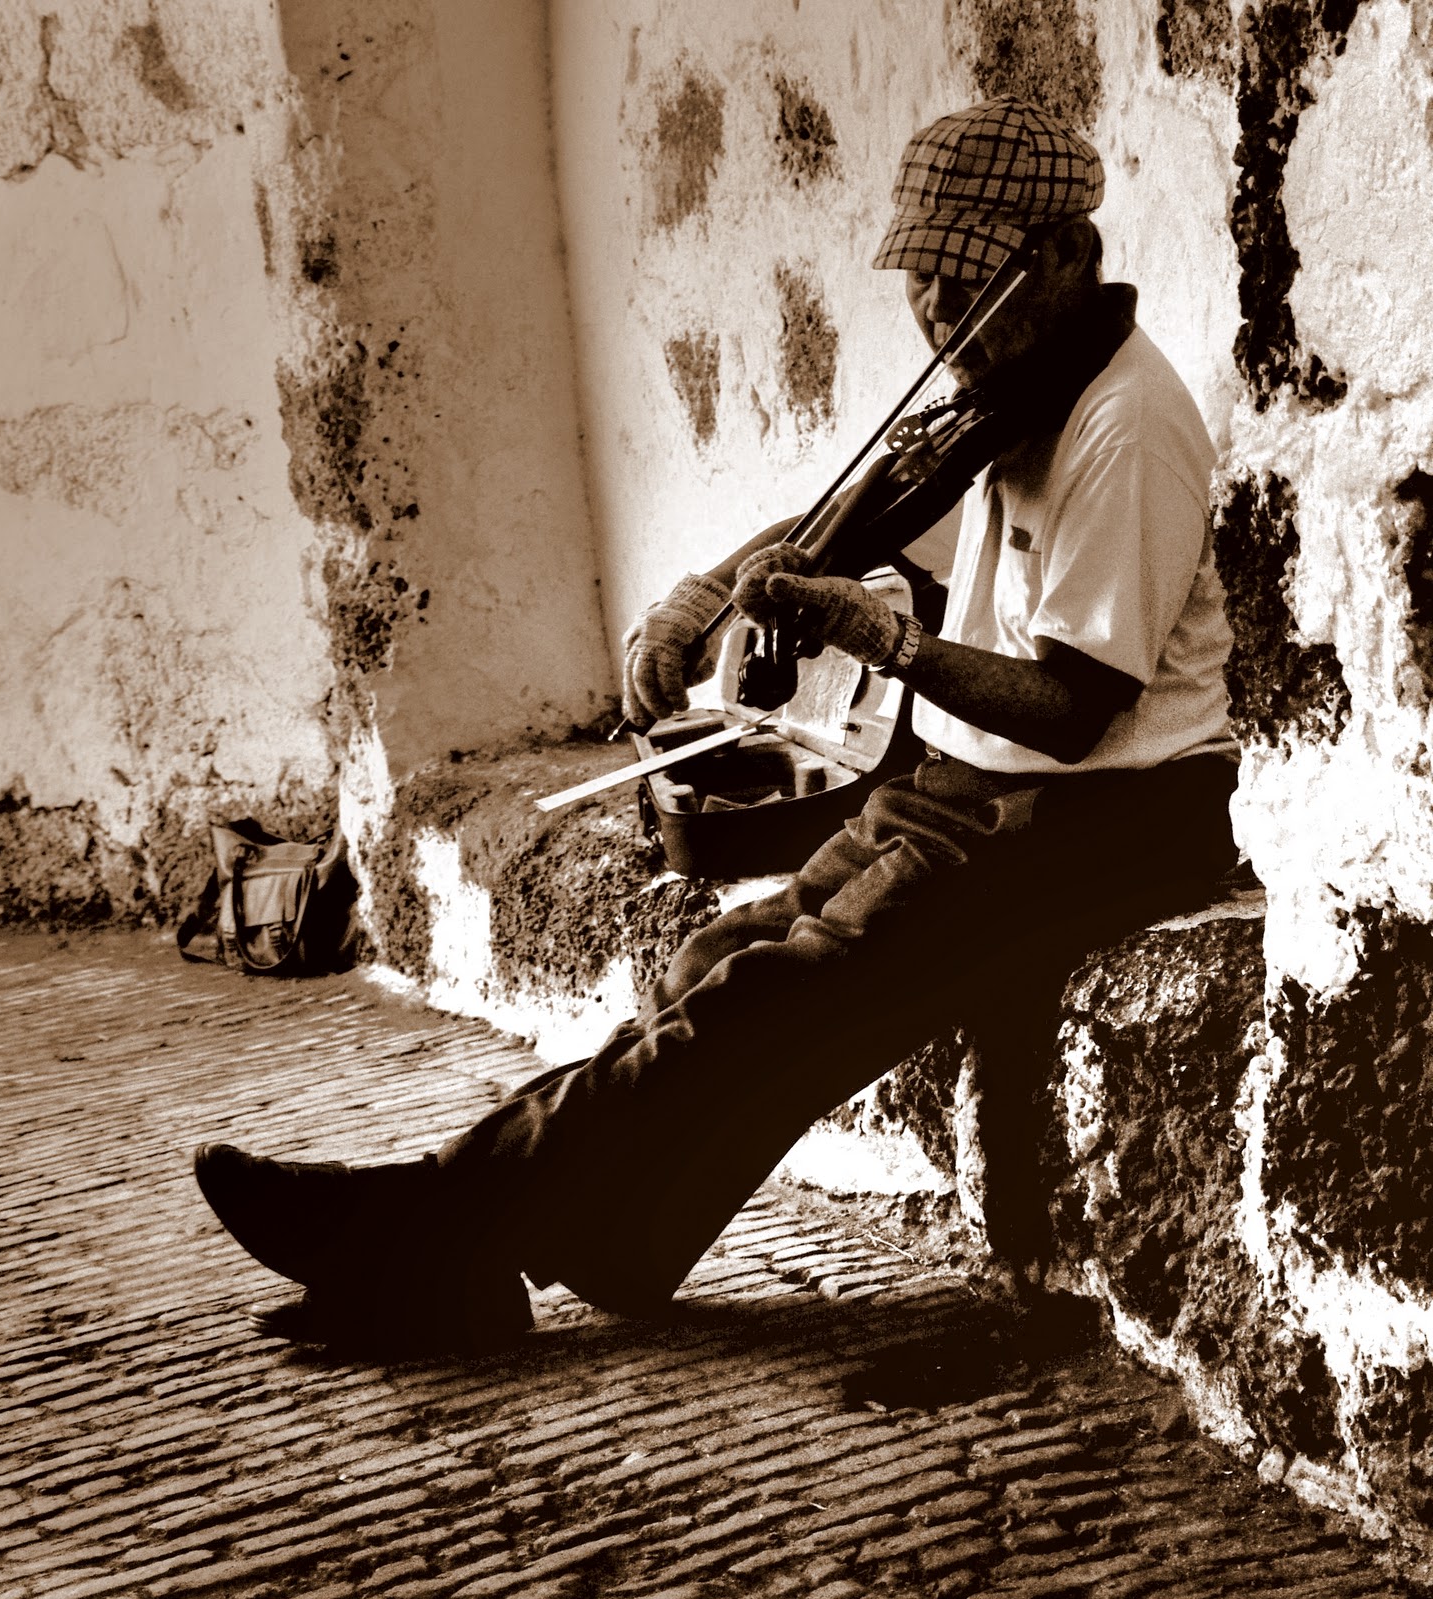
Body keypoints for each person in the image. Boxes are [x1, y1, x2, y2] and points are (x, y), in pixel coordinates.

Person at [194, 97, 1239, 1356]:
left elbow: (1073, 712)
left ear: (1065, 255)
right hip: (975, 791)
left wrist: (887, 642)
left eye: (966, 279)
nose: (934, 311)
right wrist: (704, 597)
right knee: (715, 962)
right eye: (921, 277)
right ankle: (596, 1245)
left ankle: (422, 1228)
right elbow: (857, 512)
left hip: (1103, 816)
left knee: (767, 999)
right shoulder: (1016, 388)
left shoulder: (1125, 425)